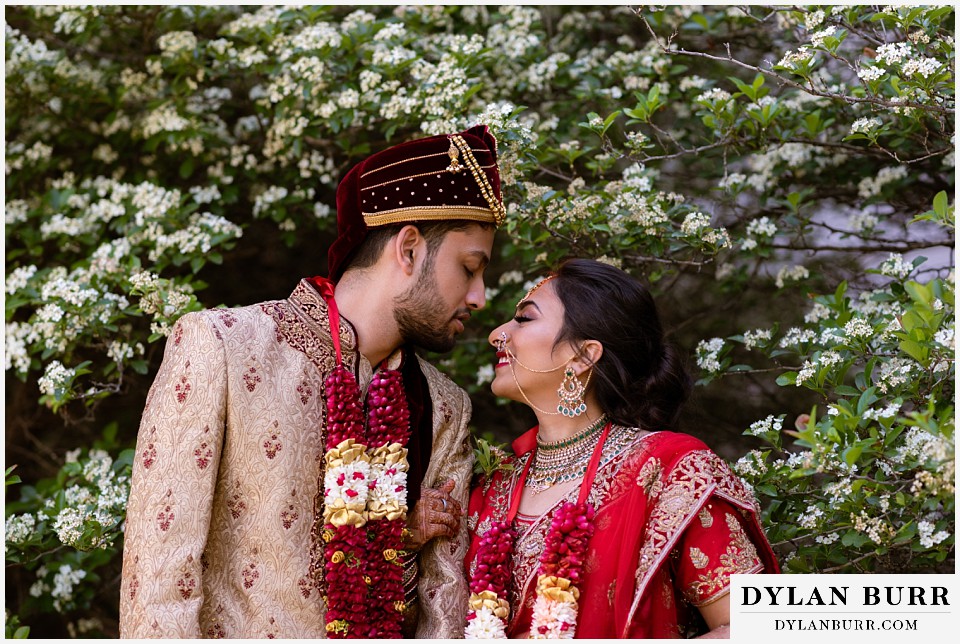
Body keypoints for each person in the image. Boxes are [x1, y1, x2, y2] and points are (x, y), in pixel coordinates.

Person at [120, 125, 506, 638]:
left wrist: (399, 541)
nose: (479, 296)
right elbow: (159, 576)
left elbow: (444, 610)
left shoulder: (443, 407)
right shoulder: (225, 346)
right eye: (470, 268)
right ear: (409, 249)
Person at [464, 258, 779, 639]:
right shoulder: (493, 489)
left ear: (582, 356)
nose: (497, 334)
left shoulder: (668, 471)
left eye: (524, 319)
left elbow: (759, 627)